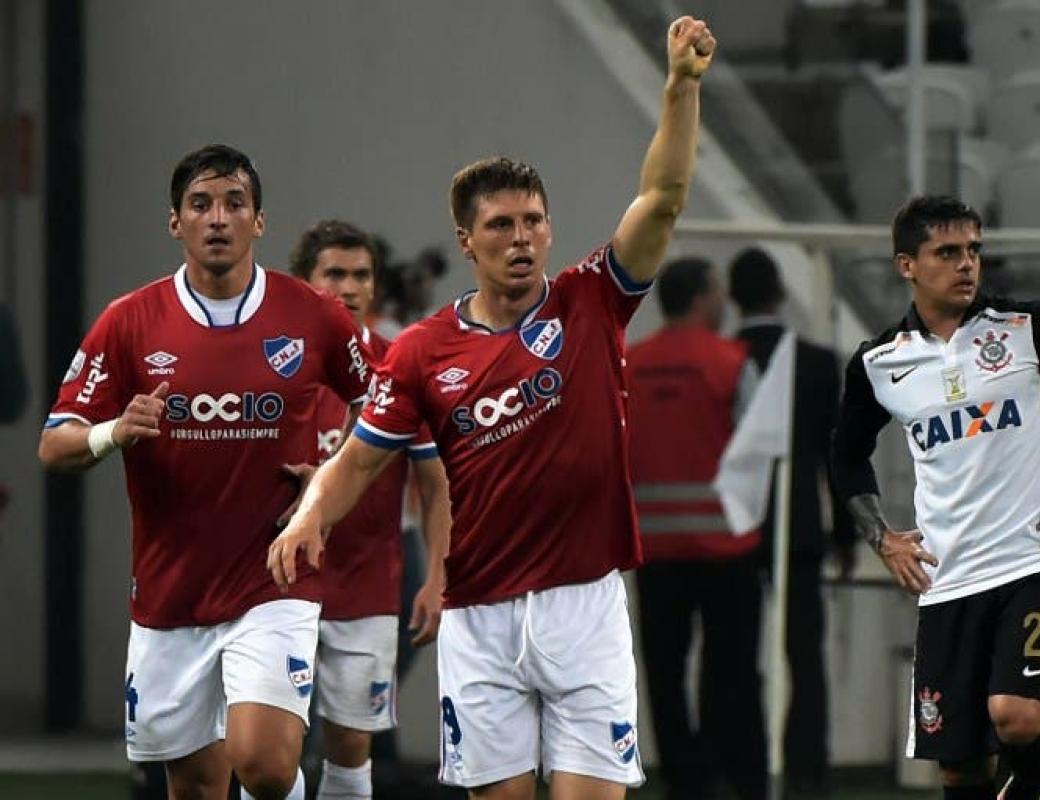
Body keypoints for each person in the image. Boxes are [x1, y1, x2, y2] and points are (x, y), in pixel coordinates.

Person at [267, 16, 717, 800]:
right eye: (501, 225)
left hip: (585, 607)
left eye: (533, 221)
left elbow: (663, 197)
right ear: (466, 242)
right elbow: (361, 460)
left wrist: (680, 87)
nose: (521, 238)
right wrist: (311, 518)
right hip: (479, 616)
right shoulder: (421, 351)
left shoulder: (591, 302)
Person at [38, 144, 373, 800]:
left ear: (259, 221)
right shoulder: (130, 321)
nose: (218, 218)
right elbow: (55, 444)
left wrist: (331, 479)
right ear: (176, 222)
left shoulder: (313, 314)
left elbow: (381, 407)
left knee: (265, 764)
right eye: (200, 204)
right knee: (194, 786)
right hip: (171, 590)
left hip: (274, 575)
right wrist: (113, 432)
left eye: (234, 203)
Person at [830, 196, 1040, 800]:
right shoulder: (877, 362)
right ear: (907, 265)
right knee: (959, 768)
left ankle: (1031, 780)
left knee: (1016, 716)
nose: (966, 264)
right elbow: (844, 455)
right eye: (947, 252)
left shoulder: (1031, 328)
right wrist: (883, 539)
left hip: (1033, 561)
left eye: (974, 250)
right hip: (947, 579)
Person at [288, 219, 451, 800]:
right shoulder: (269, 363)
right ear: (304, 284)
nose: (350, 287)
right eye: (334, 274)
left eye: (361, 275)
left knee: (352, 744)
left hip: (367, 584)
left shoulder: (400, 365)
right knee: (270, 753)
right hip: (274, 588)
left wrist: (437, 576)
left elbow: (435, 482)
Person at [626, 257, 766, 800]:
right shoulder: (732, 362)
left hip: (654, 548)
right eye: (718, 291)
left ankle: (682, 780)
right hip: (726, 547)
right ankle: (723, 771)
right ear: (703, 298)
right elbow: (758, 452)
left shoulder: (629, 365)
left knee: (662, 671)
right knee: (728, 668)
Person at [728, 246, 855, 797]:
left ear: (732, 298)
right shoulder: (818, 363)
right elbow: (837, 458)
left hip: (735, 525)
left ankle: (742, 767)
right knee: (804, 655)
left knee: (735, 654)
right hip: (800, 525)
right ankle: (807, 769)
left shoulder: (723, 358)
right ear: (780, 293)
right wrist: (846, 535)